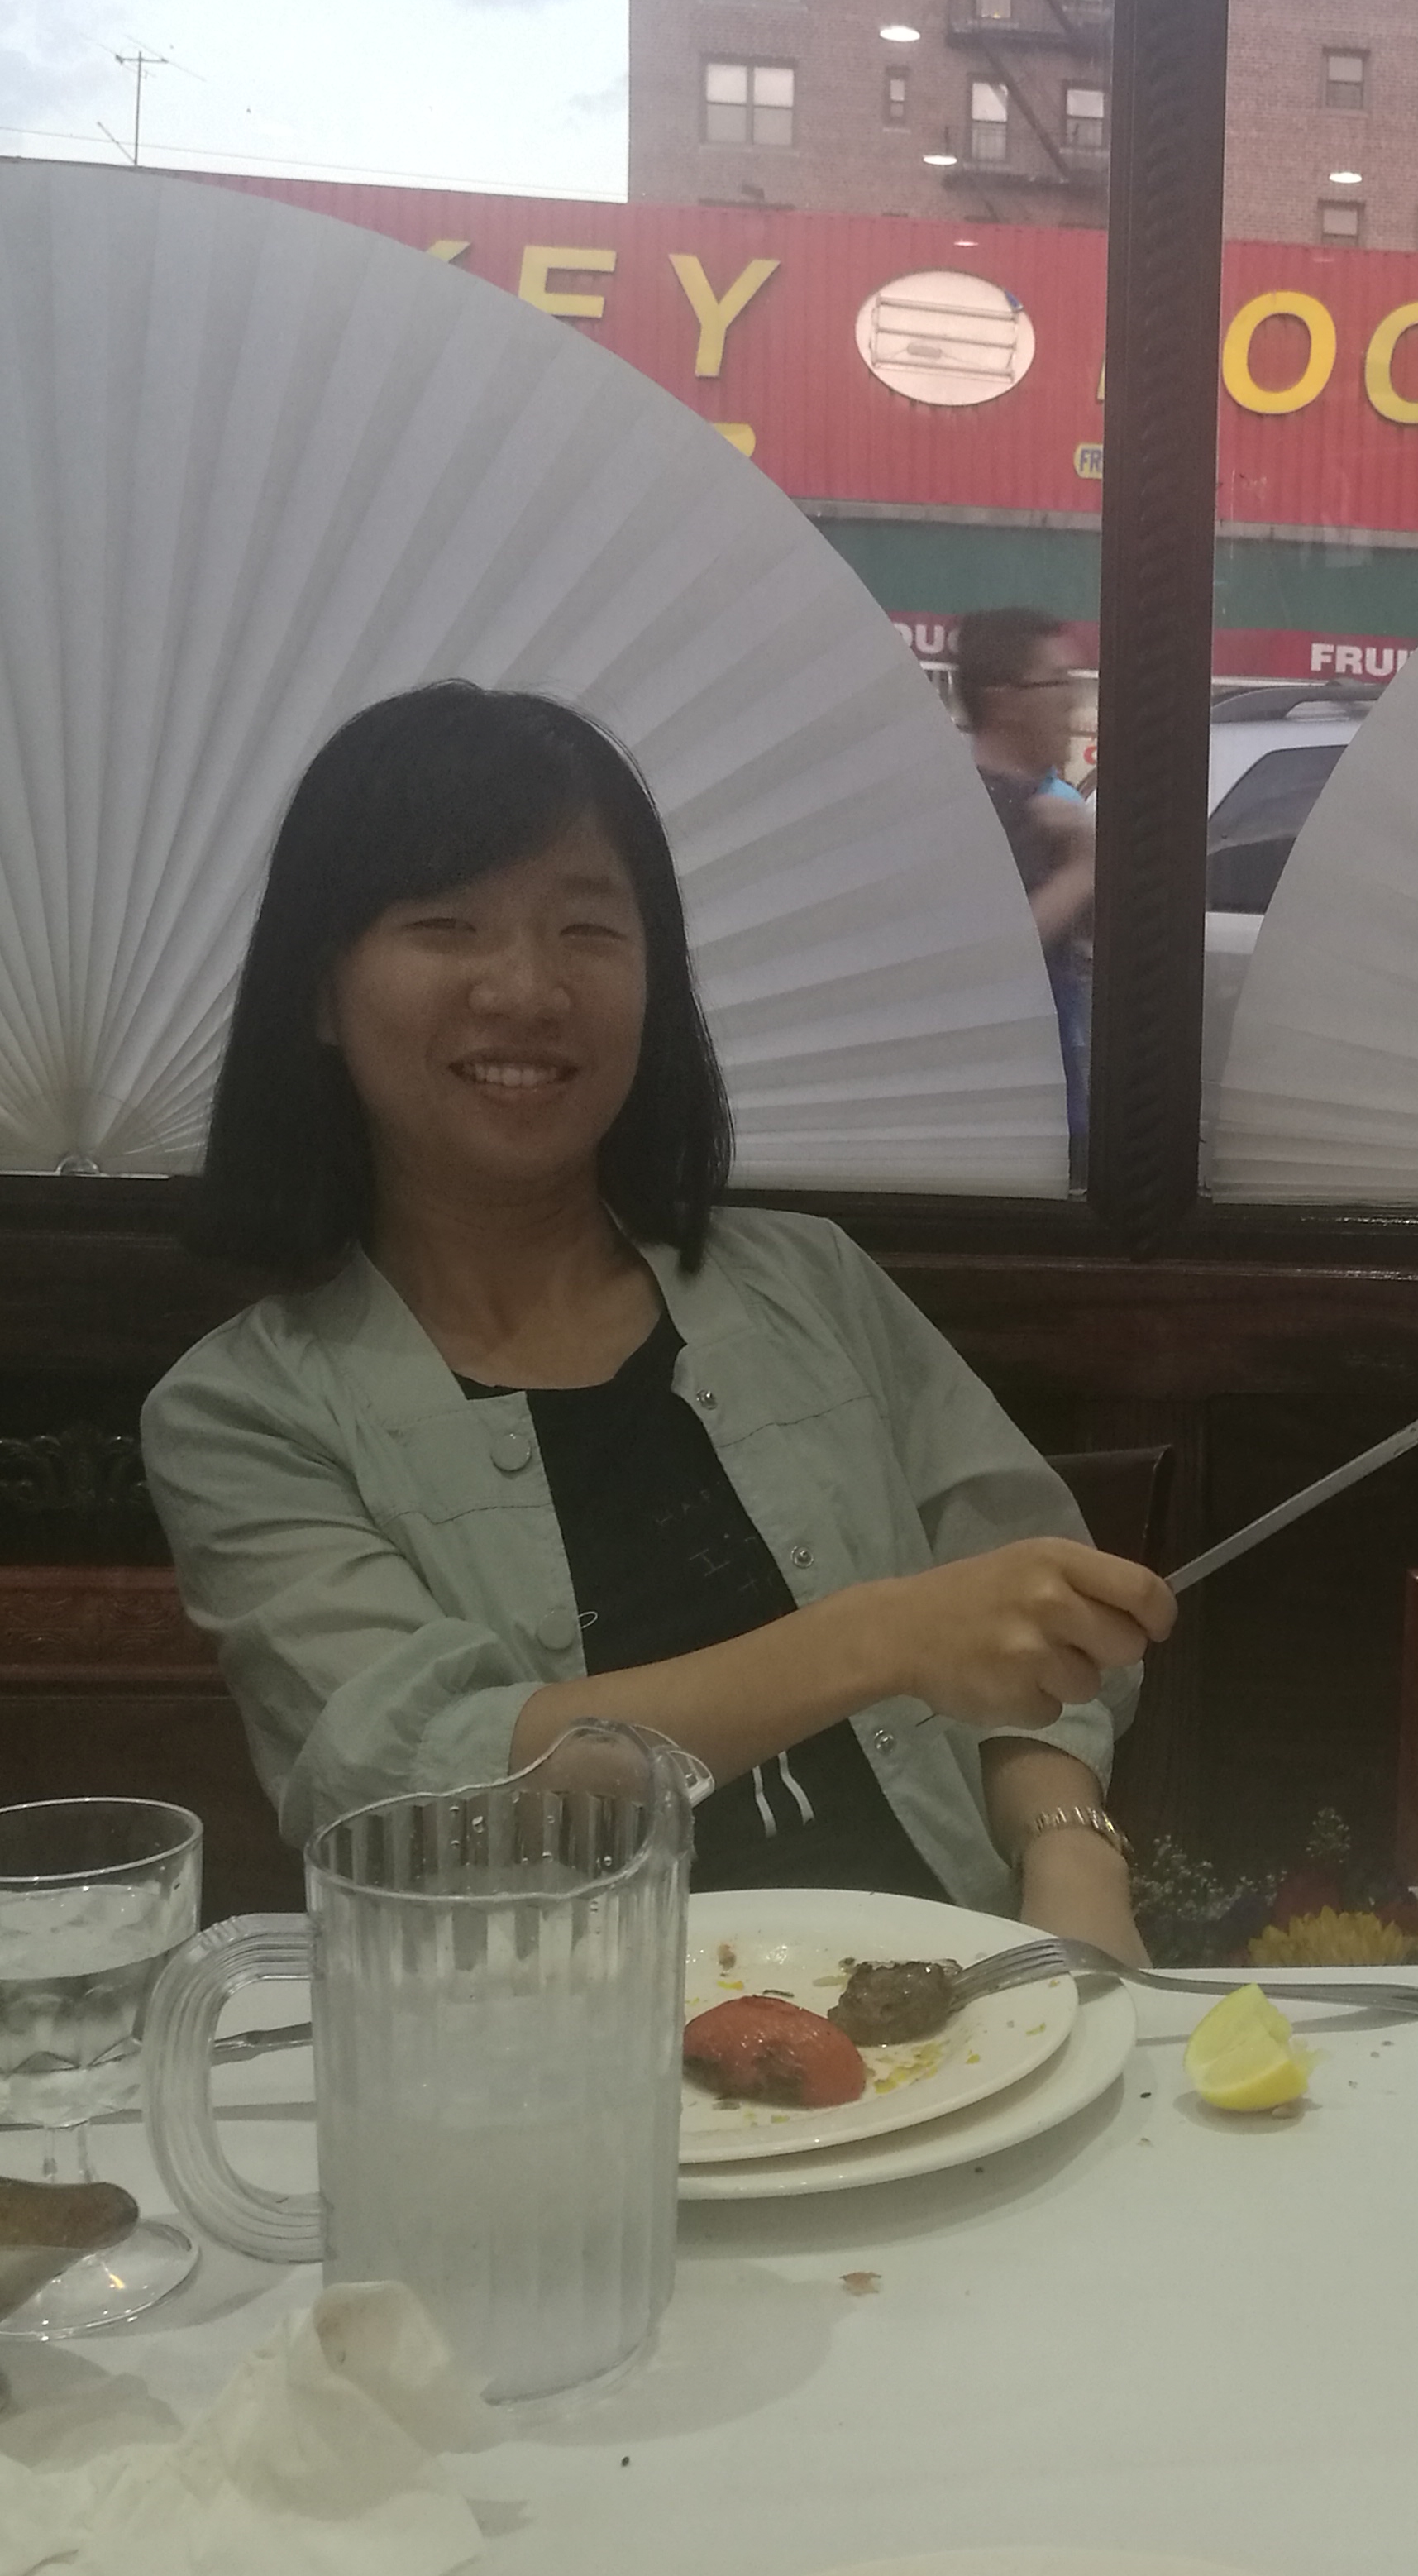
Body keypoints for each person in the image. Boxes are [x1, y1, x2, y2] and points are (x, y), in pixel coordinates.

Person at [142, 682, 1172, 1947]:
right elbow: (420, 1775)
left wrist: (1072, 1867)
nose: (526, 988)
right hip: (554, 2042)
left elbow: (1034, 1614)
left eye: (587, 927)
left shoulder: (814, 1284)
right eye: (446, 924)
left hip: (949, 2004)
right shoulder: (244, 1413)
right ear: (320, 990)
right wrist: (880, 1638)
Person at [953, 606, 1095, 1164]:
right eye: (1057, 682)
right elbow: (990, 959)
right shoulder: (976, 814)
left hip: (1050, 1113)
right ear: (1004, 701)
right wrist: (1082, 871)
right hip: (1003, 1130)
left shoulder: (1045, 812)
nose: (1072, 701)